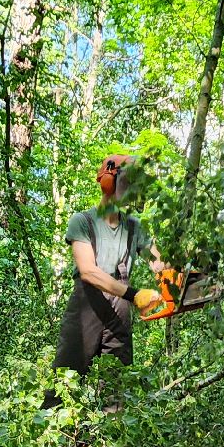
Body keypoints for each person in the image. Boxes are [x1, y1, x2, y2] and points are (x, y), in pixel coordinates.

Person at [48, 155, 167, 403]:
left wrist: (188, 280)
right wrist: (135, 295)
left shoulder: (134, 227)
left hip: (119, 310)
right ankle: (51, 423)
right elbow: (88, 272)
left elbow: (160, 264)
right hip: (86, 305)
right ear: (110, 182)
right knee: (65, 380)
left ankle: (112, 427)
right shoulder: (83, 221)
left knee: (117, 385)